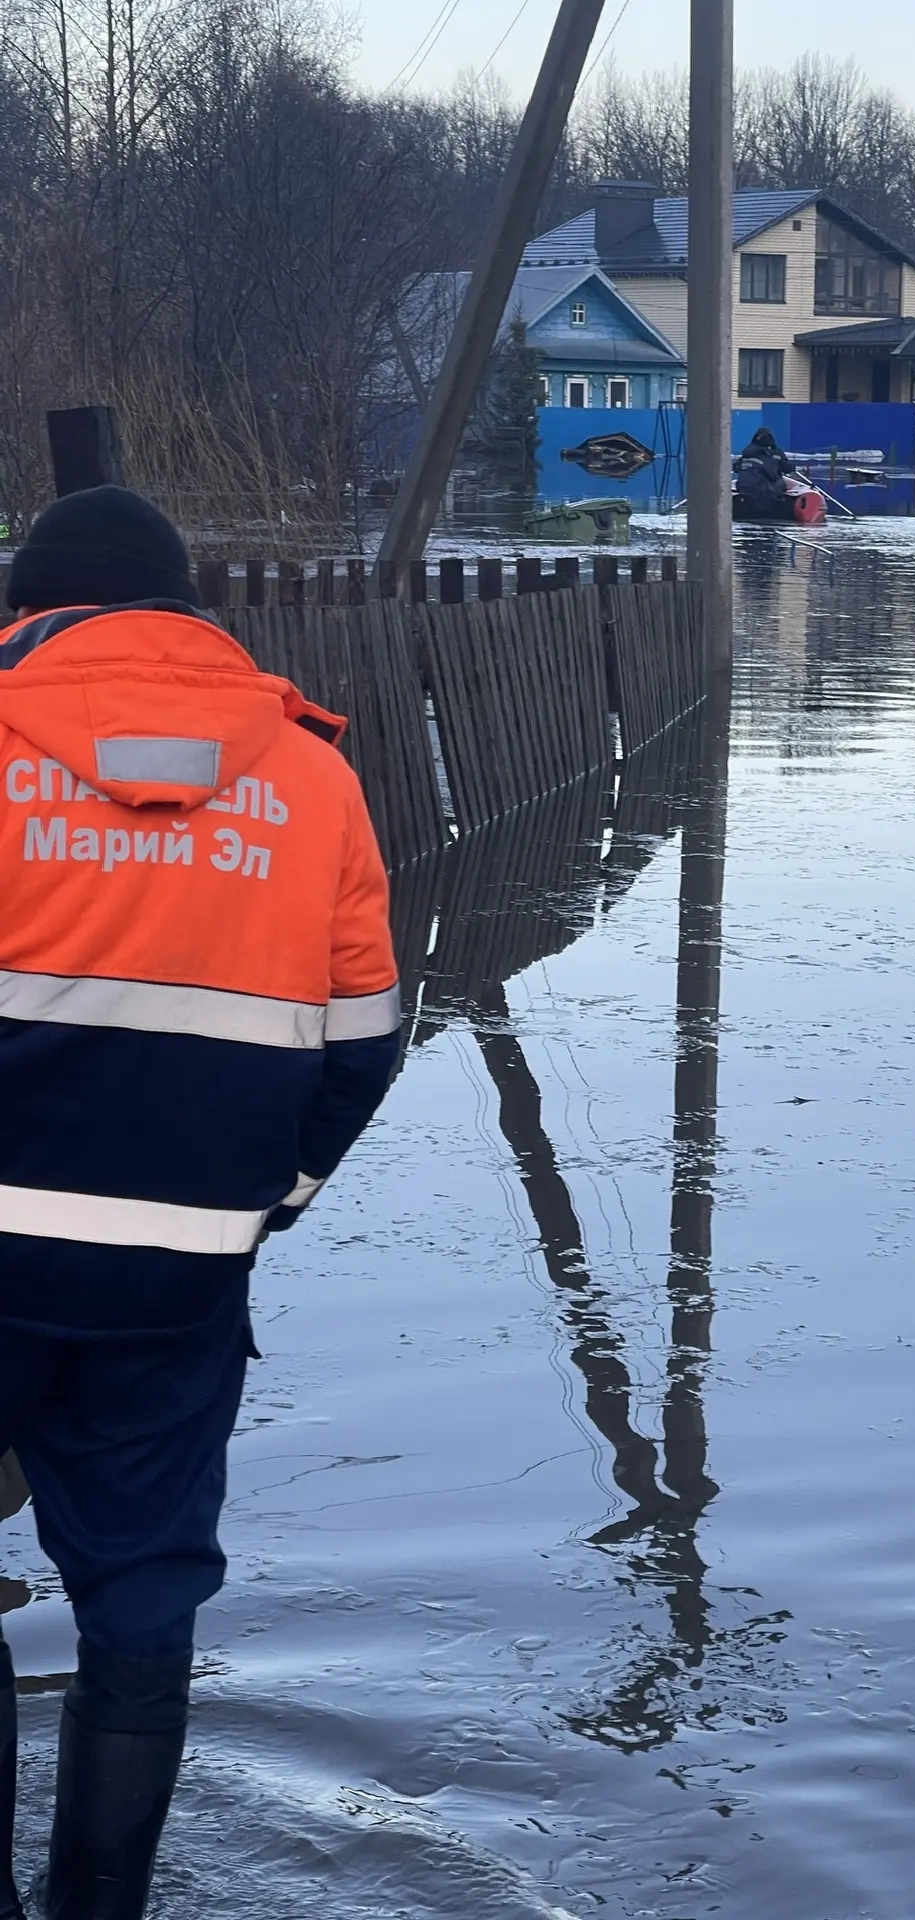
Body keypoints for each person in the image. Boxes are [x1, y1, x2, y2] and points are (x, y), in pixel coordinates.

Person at [0, 487, 402, 1919]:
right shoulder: (313, 779)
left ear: (29, 613)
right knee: (141, 1605)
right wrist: (259, 1204)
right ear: (187, 617)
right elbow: (364, 1047)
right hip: (175, 1273)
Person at [733, 426, 795, 517]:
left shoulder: (747, 453)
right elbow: (774, 474)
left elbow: (736, 467)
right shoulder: (774, 453)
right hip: (764, 489)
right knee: (778, 484)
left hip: (744, 488)